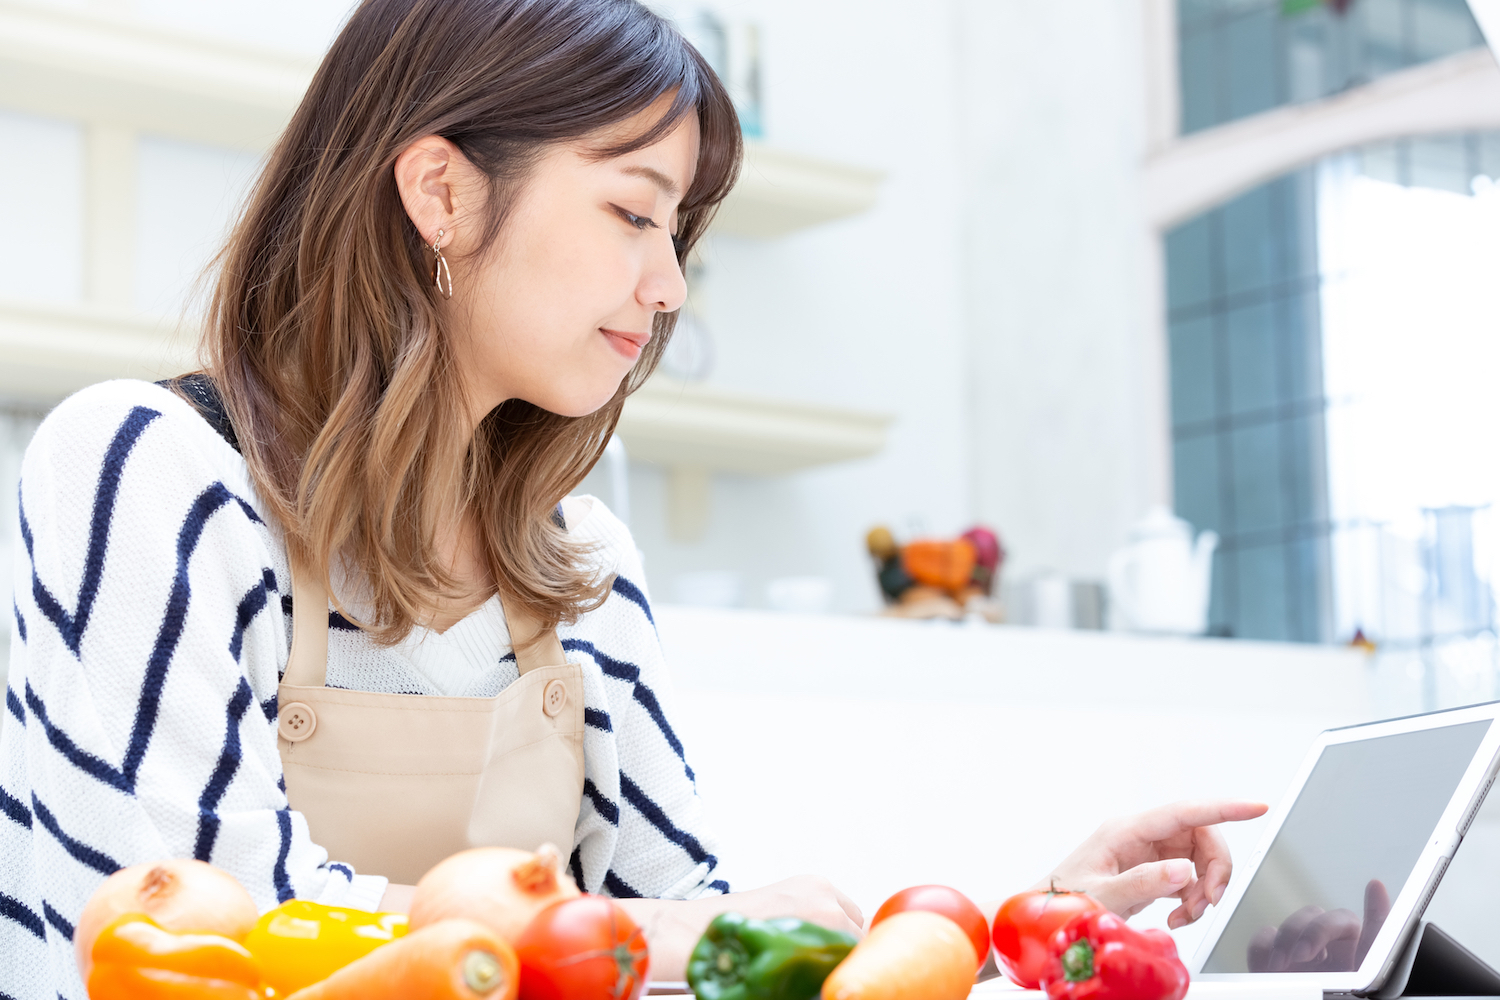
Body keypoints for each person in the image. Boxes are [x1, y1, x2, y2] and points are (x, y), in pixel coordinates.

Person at [0, 0, 1267, 995]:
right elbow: (199, 936)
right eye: (633, 213)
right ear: (440, 190)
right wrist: (667, 933)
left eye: (679, 235)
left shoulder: (580, 563)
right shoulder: (146, 470)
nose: (666, 286)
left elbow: (704, 940)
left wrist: (1020, 930)